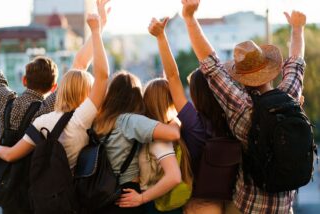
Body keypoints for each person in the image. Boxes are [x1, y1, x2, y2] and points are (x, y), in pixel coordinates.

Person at [0, 0, 110, 213]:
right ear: (55, 86)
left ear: (24, 81)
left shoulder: (5, 102)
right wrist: (98, 28)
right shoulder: (47, 109)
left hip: (7, 191)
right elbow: (80, 65)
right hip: (38, 194)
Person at [181, 0, 306, 213]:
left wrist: (190, 18)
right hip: (284, 209)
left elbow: (211, 65)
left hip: (247, 207)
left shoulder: (242, 109)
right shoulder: (290, 98)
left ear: (241, 78)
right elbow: (296, 62)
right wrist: (297, 28)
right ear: (270, 69)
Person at [0, 12, 109, 173]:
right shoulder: (84, 118)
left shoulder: (43, 121)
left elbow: (11, 155)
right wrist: (97, 30)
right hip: (82, 192)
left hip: (52, 192)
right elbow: (99, 74)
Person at [147, 17, 234, 214]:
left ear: (195, 94)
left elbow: (172, 77)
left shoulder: (194, 124)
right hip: (224, 203)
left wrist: (161, 37)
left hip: (197, 204)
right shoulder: (232, 119)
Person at [90, 71, 181, 214]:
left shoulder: (99, 122)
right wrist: (175, 118)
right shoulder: (129, 121)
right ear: (135, 96)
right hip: (127, 195)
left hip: (101, 193)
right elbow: (173, 134)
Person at [118, 78, 193, 214]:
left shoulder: (159, 139)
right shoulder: (166, 131)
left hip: (158, 206)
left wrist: (141, 198)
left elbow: (174, 177)